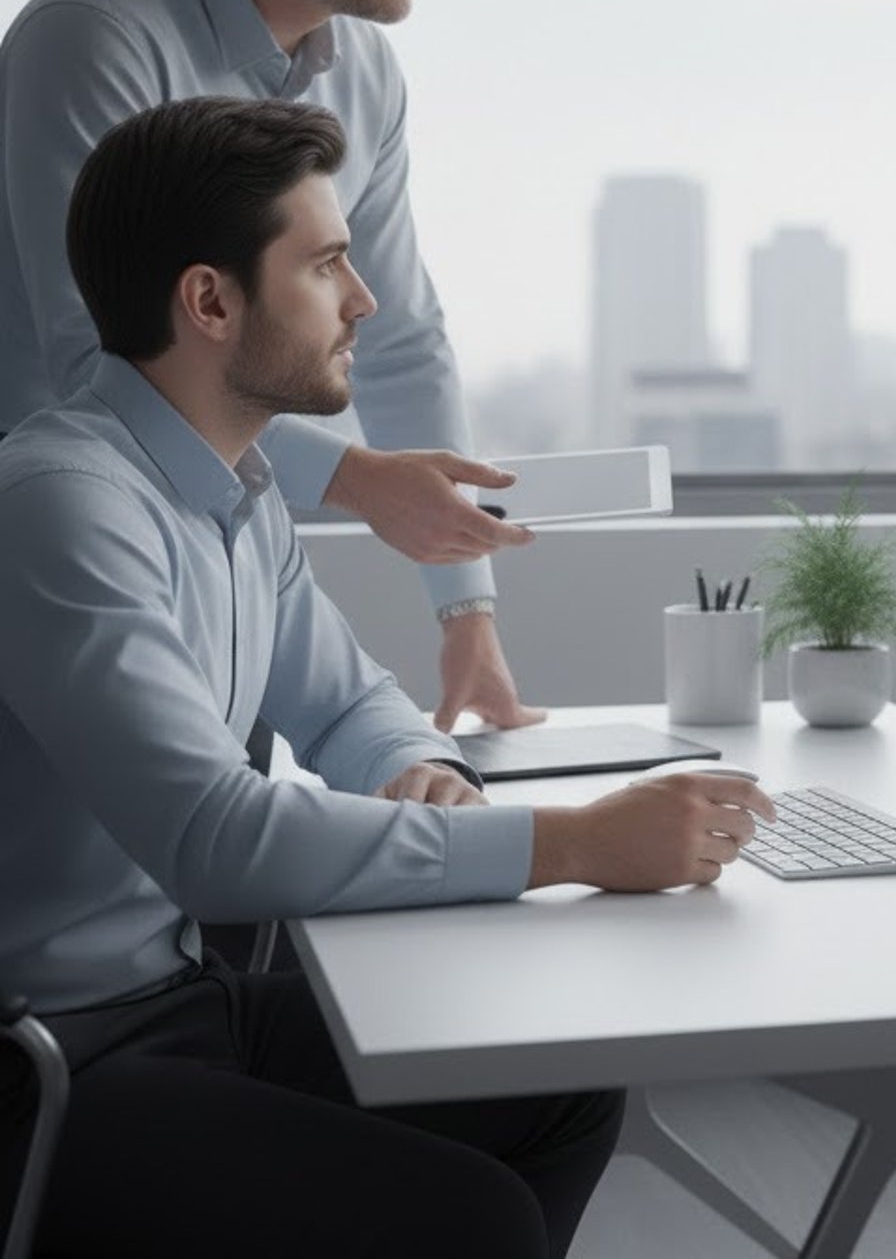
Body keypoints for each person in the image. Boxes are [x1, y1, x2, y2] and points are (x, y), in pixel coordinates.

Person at [0, 96, 775, 1258]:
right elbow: (216, 841)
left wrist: (425, 769)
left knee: (567, 1090)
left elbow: (349, 700)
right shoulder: (66, 505)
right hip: (56, 1060)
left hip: (183, 1006)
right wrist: (569, 844)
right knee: (474, 1221)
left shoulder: (236, 489)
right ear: (210, 301)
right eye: (324, 266)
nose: (362, 300)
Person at [0, 0, 538, 734]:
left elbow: (403, 340)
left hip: (228, 540)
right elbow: (98, 360)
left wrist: (467, 613)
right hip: (52, 533)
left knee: (246, 853)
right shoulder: (93, 39)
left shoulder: (365, 73)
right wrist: (352, 477)